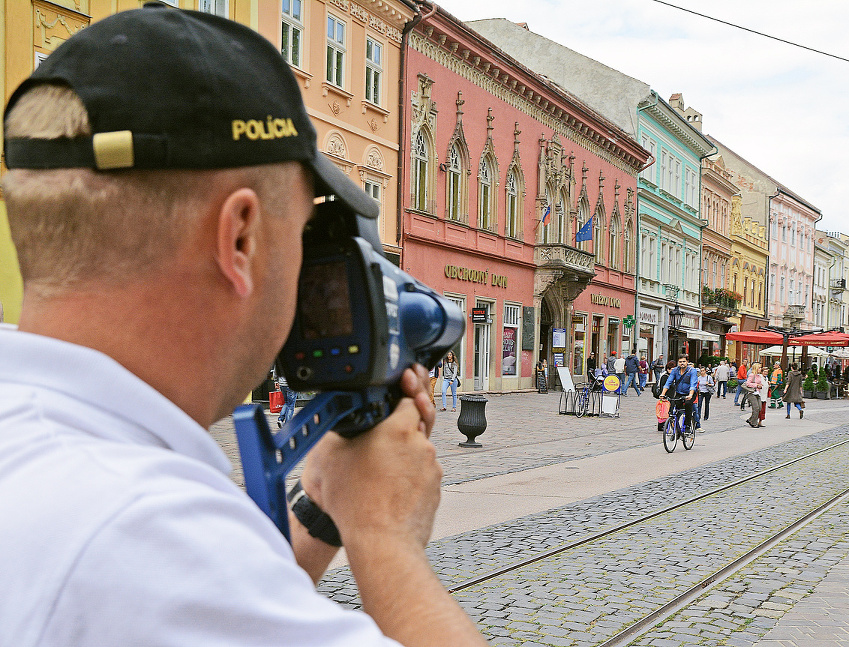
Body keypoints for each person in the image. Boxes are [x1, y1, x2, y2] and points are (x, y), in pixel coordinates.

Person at [0, 8, 487, 647]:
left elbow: (239, 604)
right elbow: (187, 581)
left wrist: (322, 509)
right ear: (241, 236)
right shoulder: (140, 531)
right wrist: (385, 536)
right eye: (303, 235)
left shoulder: (49, 454)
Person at [660, 355, 698, 433]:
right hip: (679, 393)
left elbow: (693, 384)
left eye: (684, 361)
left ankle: (687, 426)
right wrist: (662, 394)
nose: (682, 363)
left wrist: (690, 395)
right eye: (680, 362)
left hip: (690, 393)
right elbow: (668, 382)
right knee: (675, 409)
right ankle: (676, 429)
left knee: (688, 405)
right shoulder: (675, 370)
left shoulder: (692, 371)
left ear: (687, 362)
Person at [743, 362, 768, 428]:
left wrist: (761, 385)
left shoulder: (759, 376)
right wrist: (756, 385)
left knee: (760, 408)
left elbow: (760, 383)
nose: (760, 369)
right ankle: (753, 423)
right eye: (759, 368)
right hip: (752, 393)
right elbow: (748, 384)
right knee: (756, 408)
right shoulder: (752, 375)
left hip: (757, 393)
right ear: (756, 368)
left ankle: (750, 419)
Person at [695, 366, 714, 432]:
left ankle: (706, 416)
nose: (702, 372)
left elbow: (713, 384)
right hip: (701, 392)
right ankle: (699, 416)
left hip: (707, 392)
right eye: (701, 371)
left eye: (703, 371)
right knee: (699, 404)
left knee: (707, 404)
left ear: (705, 371)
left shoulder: (708, 377)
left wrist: (708, 384)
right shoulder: (699, 378)